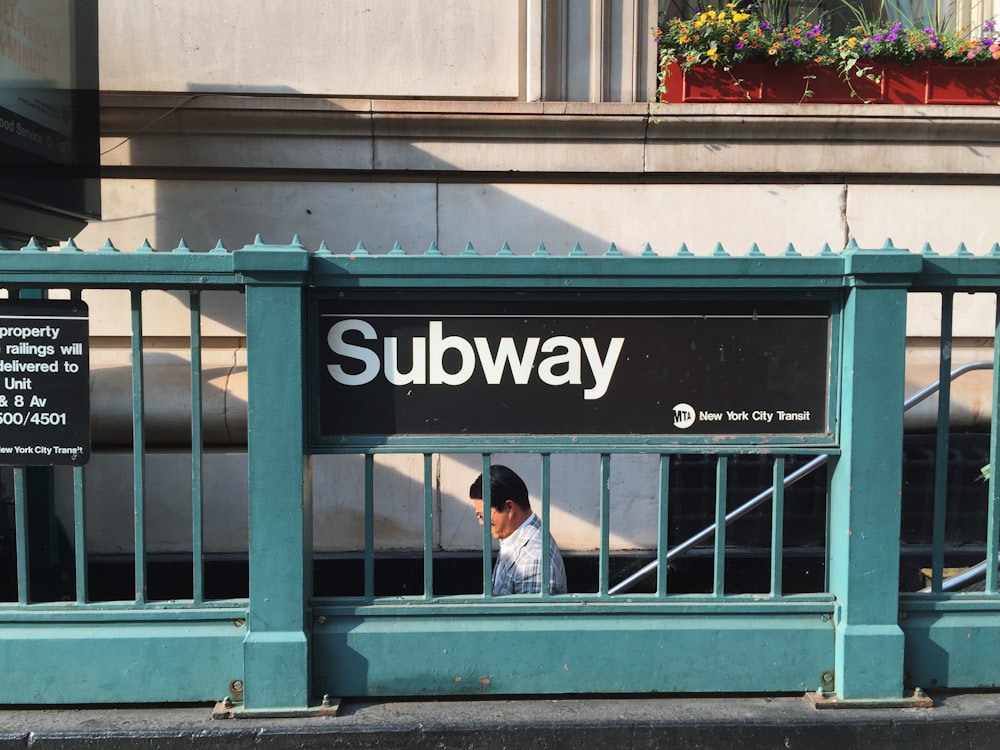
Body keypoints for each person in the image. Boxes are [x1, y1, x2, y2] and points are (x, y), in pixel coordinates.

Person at [470, 464, 567, 595]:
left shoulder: (533, 561)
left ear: (509, 508)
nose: (481, 522)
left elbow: (531, 615)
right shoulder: (516, 535)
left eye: (483, 515)